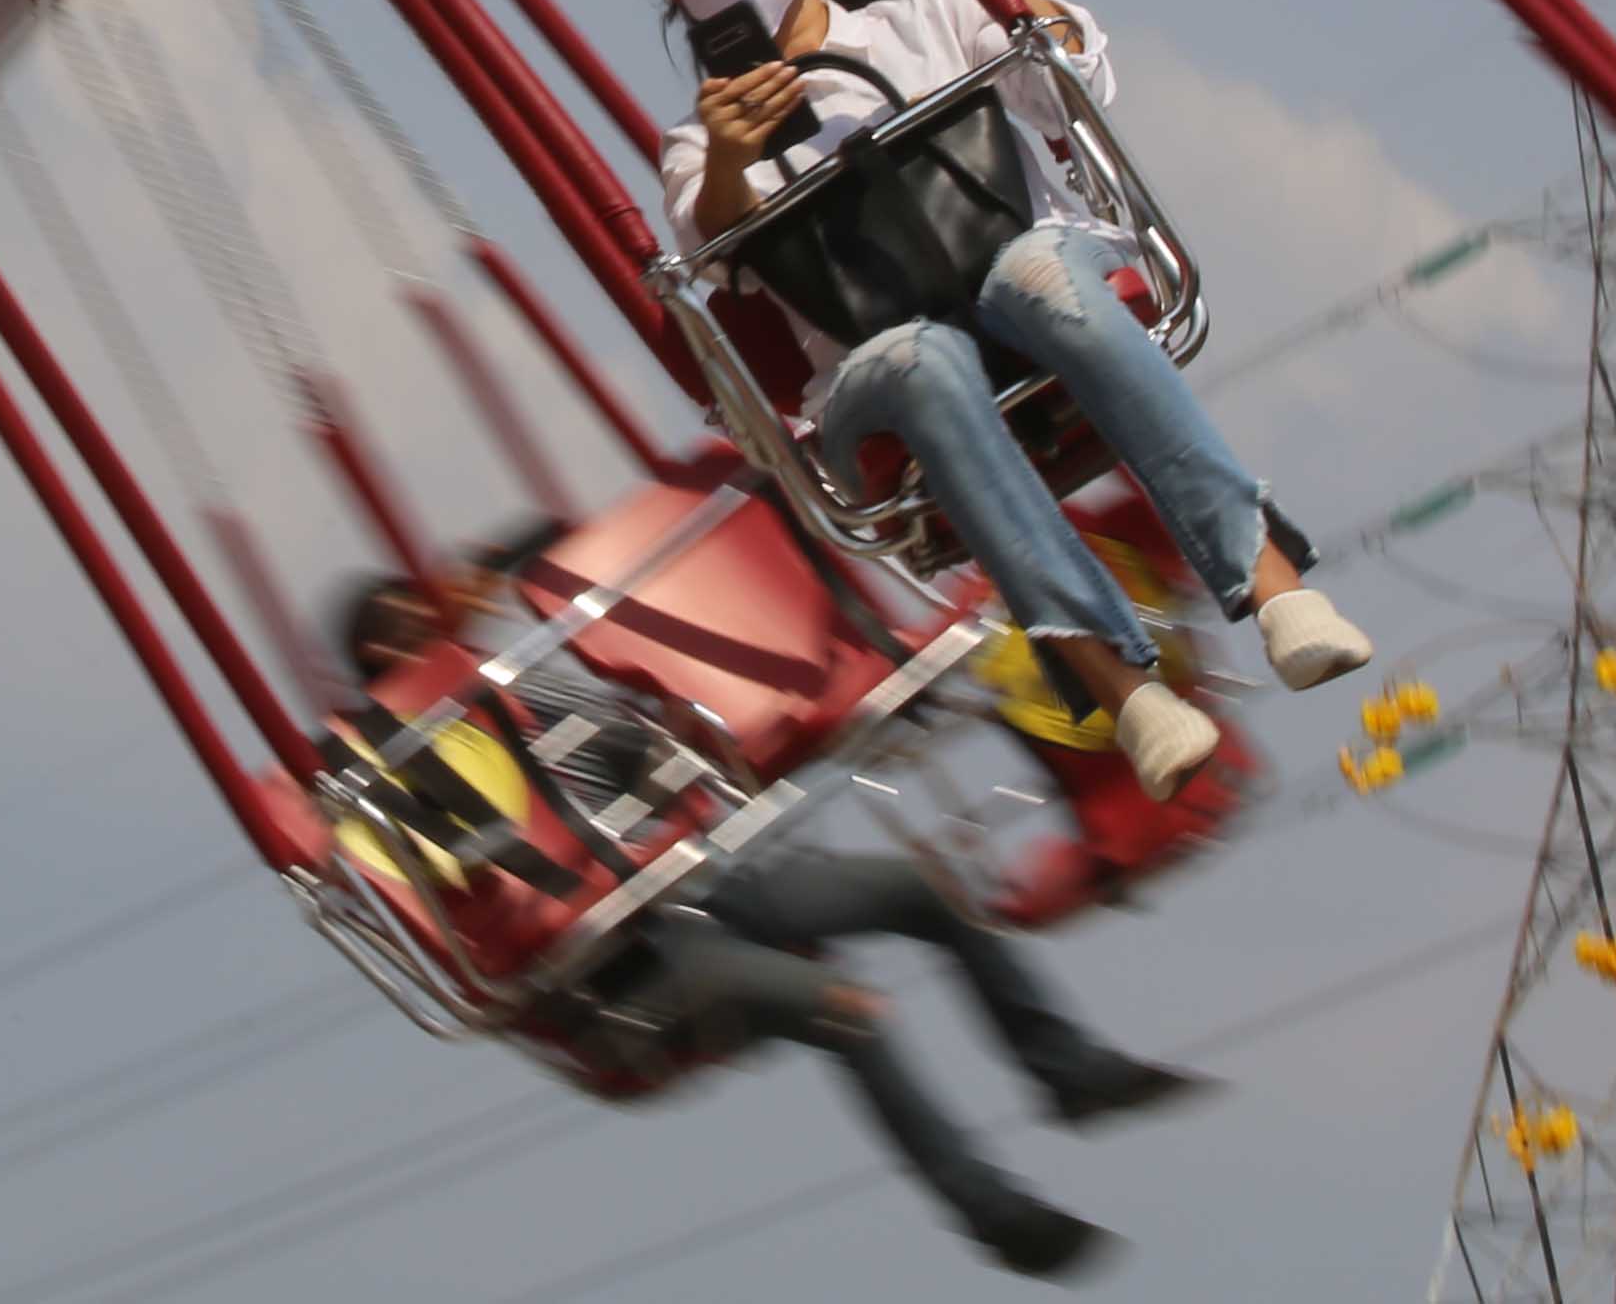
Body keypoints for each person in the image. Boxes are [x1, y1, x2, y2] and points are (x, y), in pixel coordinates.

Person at [646, 0, 1372, 801]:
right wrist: (738, 153)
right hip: (873, 359)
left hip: (1012, 274)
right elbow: (717, 243)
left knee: (1034, 269)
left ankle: (1270, 581)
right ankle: (1123, 686)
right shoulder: (698, 140)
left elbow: (1068, 76)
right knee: (918, 358)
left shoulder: (932, 16)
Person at [339, 546, 1200, 1280]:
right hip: (626, 956)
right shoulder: (401, 764)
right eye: (415, 620)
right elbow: (476, 873)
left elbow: (633, 752)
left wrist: (682, 742)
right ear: (383, 649)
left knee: (921, 888)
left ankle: (1065, 1066)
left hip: (706, 879)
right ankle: (993, 1210)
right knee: (849, 1011)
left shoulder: (508, 689)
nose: (440, 624)